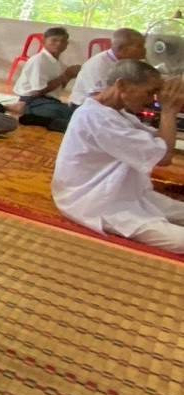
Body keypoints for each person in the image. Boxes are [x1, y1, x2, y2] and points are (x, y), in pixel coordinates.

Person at [52, 60, 184, 253]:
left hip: (127, 193)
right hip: (98, 202)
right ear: (122, 85)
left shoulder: (114, 112)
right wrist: (169, 111)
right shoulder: (97, 118)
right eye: (150, 92)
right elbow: (163, 157)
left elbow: (156, 140)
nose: (152, 99)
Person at [14, 27, 81, 132]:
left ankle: (40, 119)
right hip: (32, 101)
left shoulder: (57, 62)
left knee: (78, 113)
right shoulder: (39, 60)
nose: (58, 44)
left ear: (66, 45)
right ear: (44, 41)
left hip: (49, 101)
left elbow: (58, 87)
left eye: (62, 41)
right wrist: (66, 75)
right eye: (54, 40)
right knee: (70, 116)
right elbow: (39, 91)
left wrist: (69, 76)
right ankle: (30, 116)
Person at [71, 28, 146, 102]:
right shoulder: (99, 64)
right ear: (123, 49)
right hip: (86, 107)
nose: (144, 50)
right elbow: (100, 98)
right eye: (140, 46)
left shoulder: (130, 64)